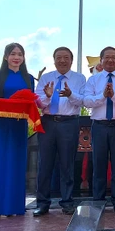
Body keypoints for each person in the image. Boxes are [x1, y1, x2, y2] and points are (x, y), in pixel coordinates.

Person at [0, 43, 35, 218]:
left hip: (19, 125)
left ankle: (14, 206)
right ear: (6, 57)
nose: (16, 57)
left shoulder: (28, 78)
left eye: (20, 54)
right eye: (13, 54)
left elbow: (32, 103)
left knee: (16, 163)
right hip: (1, 124)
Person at [32, 47, 86, 216]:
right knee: (45, 164)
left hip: (69, 123)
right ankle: (42, 203)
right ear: (54, 60)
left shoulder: (79, 78)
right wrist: (48, 96)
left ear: (71, 59)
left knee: (67, 164)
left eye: (66, 57)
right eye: (59, 57)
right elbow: (39, 103)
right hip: (48, 123)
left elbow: (82, 101)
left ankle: (67, 201)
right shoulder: (46, 78)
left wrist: (70, 95)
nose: (62, 60)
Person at [81, 46, 115, 213]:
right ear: (101, 60)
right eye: (107, 57)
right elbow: (87, 101)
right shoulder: (94, 80)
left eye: (114, 58)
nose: (110, 60)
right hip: (99, 126)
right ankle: (98, 199)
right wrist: (103, 96)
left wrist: (114, 96)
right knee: (99, 164)